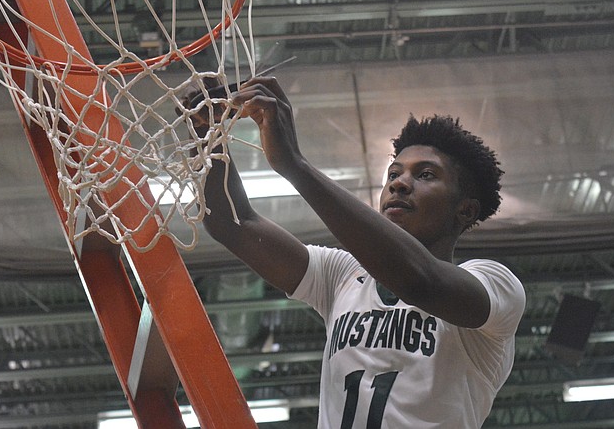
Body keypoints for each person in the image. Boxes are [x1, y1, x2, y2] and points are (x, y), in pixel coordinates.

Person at [199, 76, 526, 429]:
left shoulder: (495, 284)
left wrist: (295, 165)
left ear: (465, 210)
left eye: (426, 175)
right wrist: (206, 135)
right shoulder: (342, 275)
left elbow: (421, 282)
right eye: (394, 174)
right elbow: (233, 224)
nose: (399, 183)